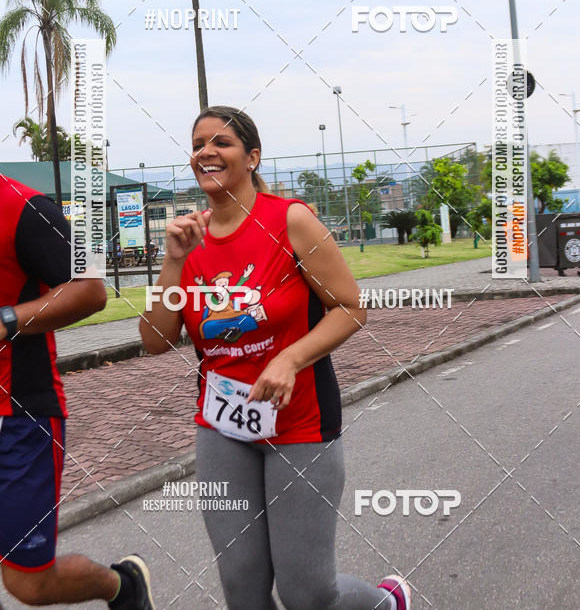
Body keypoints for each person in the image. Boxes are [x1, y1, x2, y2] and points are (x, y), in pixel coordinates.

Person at [141, 106, 411, 610]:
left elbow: (350, 308)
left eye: (221, 142)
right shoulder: (188, 239)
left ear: (252, 156)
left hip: (300, 422)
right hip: (222, 425)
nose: (206, 151)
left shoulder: (289, 220)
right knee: (242, 589)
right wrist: (173, 261)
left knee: (306, 594)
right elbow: (156, 340)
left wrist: (290, 358)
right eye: (198, 143)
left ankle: (384, 601)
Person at [0, 175, 154, 609]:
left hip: (18, 419)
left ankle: (122, 586)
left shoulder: (23, 207)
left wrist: (8, 320)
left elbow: (90, 290)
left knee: (29, 584)